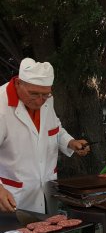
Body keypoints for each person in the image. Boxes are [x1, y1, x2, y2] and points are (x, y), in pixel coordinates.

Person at [0, 58, 90, 214]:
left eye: (45, 94)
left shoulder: (47, 99)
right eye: (34, 93)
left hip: (47, 189)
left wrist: (70, 142)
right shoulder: (1, 106)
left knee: (49, 227)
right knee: (16, 229)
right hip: (12, 195)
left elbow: (54, 129)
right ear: (19, 83)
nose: (39, 100)